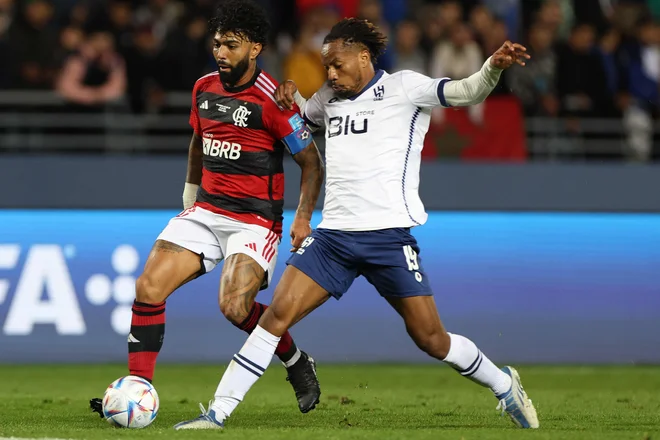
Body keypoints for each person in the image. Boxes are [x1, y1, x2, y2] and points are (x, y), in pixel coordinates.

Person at [174, 18, 539, 430]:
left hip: (387, 237)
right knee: (275, 317)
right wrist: (286, 102)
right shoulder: (326, 98)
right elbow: (292, 134)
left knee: (431, 339)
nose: (330, 74)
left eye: (337, 64)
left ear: (363, 57)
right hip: (333, 240)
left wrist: (493, 66)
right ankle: (217, 414)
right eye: (326, 66)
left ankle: (504, 383)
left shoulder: (405, 87)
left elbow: (466, 91)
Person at [89, 0, 324, 417]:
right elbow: (199, 140)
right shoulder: (203, 88)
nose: (220, 52)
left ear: (254, 48)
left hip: (253, 220)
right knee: (147, 288)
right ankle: (136, 393)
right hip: (205, 211)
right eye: (217, 44)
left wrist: (303, 217)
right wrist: (189, 193)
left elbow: (311, 162)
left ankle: (295, 361)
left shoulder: (274, 99)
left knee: (234, 308)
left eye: (231, 45)